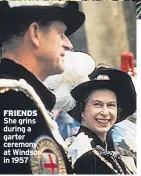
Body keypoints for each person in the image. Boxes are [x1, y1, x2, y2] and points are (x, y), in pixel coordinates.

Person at [0, 1, 85, 174]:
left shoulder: (21, 100)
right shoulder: (13, 102)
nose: (68, 44)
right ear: (35, 33)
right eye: (61, 33)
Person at [67, 67, 136, 174]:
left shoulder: (106, 151)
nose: (105, 112)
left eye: (111, 105)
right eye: (97, 104)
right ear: (82, 110)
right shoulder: (86, 155)